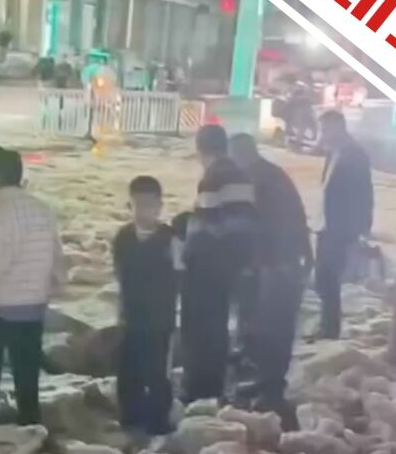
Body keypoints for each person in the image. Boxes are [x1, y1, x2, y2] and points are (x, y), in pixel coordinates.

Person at [0, 145, 66, 424]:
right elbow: (56, 258)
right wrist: (46, 294)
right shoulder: (43, 210)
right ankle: (31, 424)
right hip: (33, 307)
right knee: (27, 375)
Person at [229, 133, 311, 426]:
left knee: (266, 327)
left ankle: (267, 390)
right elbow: (299, 218)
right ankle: (272, 385)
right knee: (278, 326)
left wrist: (250, 264)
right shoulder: (275, 175)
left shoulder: (256, 181)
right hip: (288, 264)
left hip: (272, 266)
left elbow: (258, 228)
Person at [180, 125, 257, 403]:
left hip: (208, 267)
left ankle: (199, 388)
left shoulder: (212, 177)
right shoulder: (242, 175)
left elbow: (208, 222)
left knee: (201, 329)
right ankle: (216, 385)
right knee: (219, 326)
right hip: (231, 265)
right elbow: (246, 222)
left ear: (201, 149)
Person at [112, 176, 178, 436]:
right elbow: (120, 273)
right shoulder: (123, 238)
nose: (143, 211)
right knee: (129, 368)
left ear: (160, 206)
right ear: (130, 206)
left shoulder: (170, 239)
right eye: (137, 205)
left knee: (157, 371)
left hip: (160, 320)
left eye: (149, 205)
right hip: (131, 315)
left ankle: (158, 420)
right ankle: (130, 415)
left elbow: (179, 274)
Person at [315, 110, 373, 339]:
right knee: (323, 279)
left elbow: (364, 195)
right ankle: (327, 325)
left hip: (340, 228)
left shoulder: (355, 156)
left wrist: (360, 230)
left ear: (339, 128)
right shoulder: (334, 153)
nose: (323, 134)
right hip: (326, 225)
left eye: (326, 129)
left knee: (328, 277)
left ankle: (330, 329)